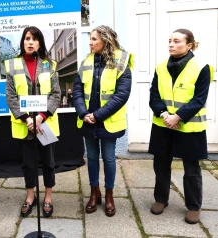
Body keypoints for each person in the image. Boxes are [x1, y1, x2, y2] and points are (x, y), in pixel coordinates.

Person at [148, 29, 213, 224]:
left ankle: (193, 206)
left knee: (191, 167)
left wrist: (178, 117)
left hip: (189, 127)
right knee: (161, 163)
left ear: (189, 45)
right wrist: (164, 114)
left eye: (176, 41)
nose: (171, 44)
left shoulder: (202, 67)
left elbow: (199, 99)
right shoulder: (160, 67)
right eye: (169, 41)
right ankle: (161, 199)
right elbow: (154, 95)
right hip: (163, 124)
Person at [73, 25, 132, 217]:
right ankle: (94, 193)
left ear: (106, 40)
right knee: (91, 158)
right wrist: (83, 113)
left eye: (94, 39)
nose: (89, 42)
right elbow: (77, 90)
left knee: (108, 158)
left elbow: (121, 95)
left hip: (107, 121)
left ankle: (109, 195)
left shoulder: (121, 61)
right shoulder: (86, 62)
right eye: (89, 39)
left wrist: (97, 115)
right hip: (88, 120)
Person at [5, 26, 61, 218]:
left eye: (34, 39)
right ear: (22, 41)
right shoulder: (12, 65)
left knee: (48, 162)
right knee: (28, 164)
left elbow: (56, 94)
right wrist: (27, 118)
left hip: (45, 123)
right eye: (27, 38)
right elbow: (11, 96)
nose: (30, 42)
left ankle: (47, 197)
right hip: (24, 124)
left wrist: (40, 117)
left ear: (40, 43)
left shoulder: (50, 65)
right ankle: (30, 197)